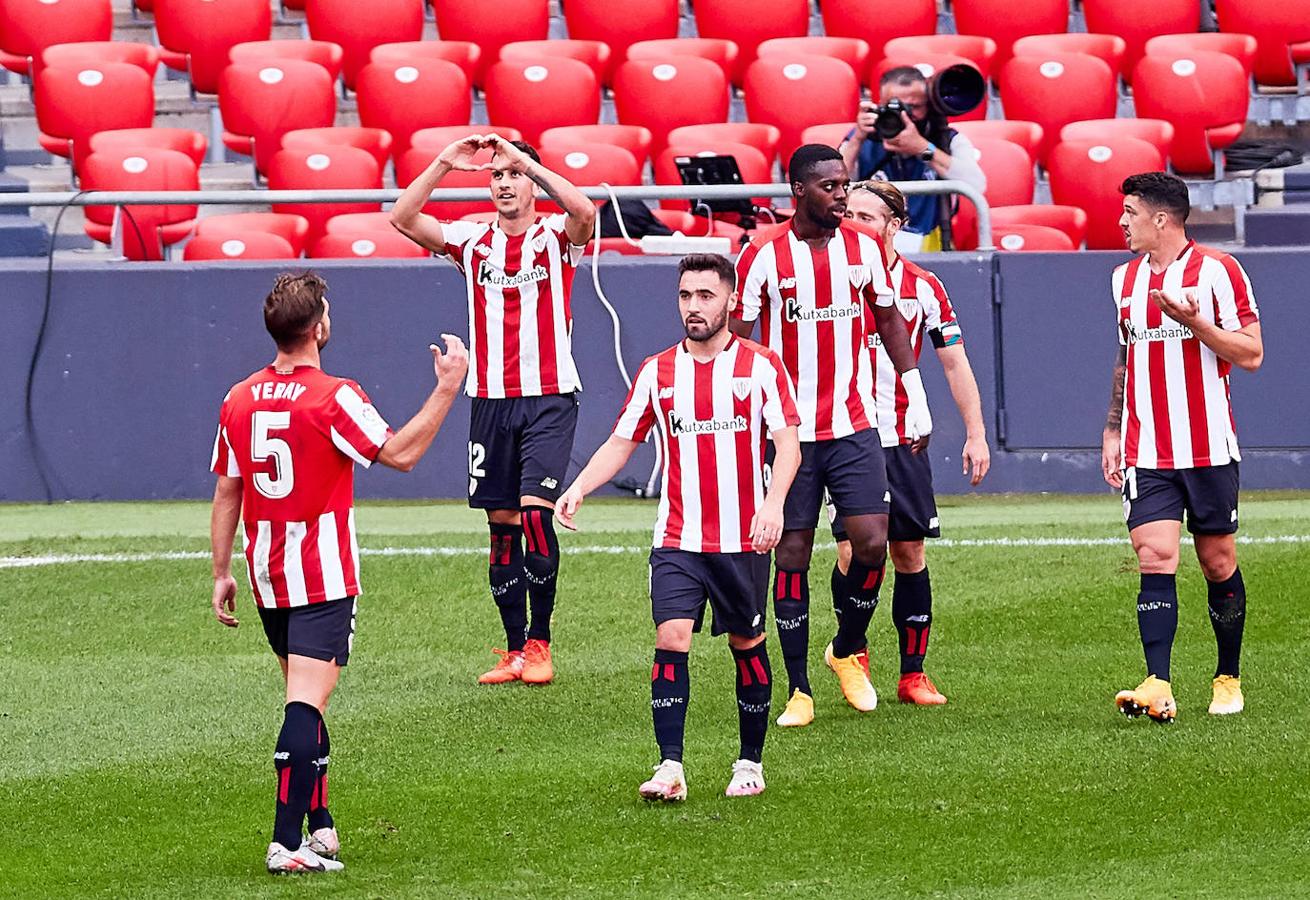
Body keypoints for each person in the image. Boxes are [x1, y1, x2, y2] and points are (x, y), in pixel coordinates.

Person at [209, 272, 468, 873]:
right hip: (321, 577)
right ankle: (285, 843)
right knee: (304, 705)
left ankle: (320, 824)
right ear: (319, 326)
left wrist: (221, 570)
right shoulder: (334, 394)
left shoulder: (239, 396)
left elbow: (228, 489)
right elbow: (400, 454)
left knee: (308, 701)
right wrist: (447, 389)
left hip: (266, 573)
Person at [556, 254, 802, 801]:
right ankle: (670, 767)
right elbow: (624, 440)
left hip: (742, 537)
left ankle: (749, 763)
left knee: (747, 642)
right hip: (676, 537)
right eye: (686, 295)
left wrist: (773, 503)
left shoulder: (761, 366)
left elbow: (787, 443)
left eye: (706, 296)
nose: (694, 306)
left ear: (731, 301)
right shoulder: (657, 371)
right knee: (671, 638)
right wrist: (579, 486)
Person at [732, 144, 933, 729]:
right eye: (829, 187)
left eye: (844, 185)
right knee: (790, 553)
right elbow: (740, 337)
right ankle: (799, 690)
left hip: (855, 422)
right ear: (798, 190)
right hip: (789, 431)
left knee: (872, 543)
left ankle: (846, 645)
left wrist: (913, 391)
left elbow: (889, 318)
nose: (841, 196)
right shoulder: (763, 256)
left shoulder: (865, 246)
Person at [391, 134, 598, 686]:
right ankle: (511, 650)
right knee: (502, 525)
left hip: (549, 396)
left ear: (532, 178)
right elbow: (403, 216)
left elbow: (584, 211)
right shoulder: (471, 241)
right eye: (496, 176)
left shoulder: (558, 237)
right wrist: (442, 163)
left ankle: (540, 643)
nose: (505, 184)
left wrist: (529, 160)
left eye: (513, 174)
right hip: (488, 400)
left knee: (535, 513)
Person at [1101, 172, 1262, 724]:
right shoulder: (1123, 279)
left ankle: (1227, 676)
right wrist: (1112, 428)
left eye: (1130, 213)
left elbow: (1252, 352)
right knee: (1155, 556)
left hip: (1209, 445)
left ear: (1161, 219)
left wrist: (1197, 324)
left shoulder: (1219, 271)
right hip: (1146, 449)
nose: (1122, 222)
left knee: (1217, 561)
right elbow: (1126, 358)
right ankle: (1158, 683)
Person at [826, 181, 991, 705]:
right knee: (854, 550)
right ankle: (853, 653)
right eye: (846, 214)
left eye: (866, 217)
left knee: (909, 550)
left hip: (904, 438)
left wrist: (976, 432)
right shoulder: (829, 278)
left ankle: (913, 674)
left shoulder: (924, 287)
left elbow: (953, 360)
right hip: (846, 434)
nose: (852, 225)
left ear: (894, 225)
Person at [839, 66, 987, 252]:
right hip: (869, 244)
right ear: (879, 104)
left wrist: (923, 148)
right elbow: (835, 183)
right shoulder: (862, 136)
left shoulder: (945, 139)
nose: (905, 115)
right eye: (895, 106)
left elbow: (976, 185)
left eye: (915, 107)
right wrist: (857, 139)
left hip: (929, 244)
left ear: (929, 105)